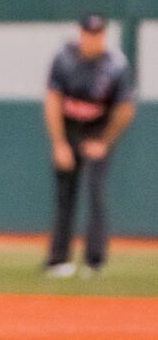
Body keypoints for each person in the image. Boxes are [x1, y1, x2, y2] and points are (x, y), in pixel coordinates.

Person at [44, 14, 136, 277]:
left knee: (95, 192)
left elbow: (124, 109)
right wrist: (59, 143)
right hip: (69, 127)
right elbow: (52, 100)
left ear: (103, 36)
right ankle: (58, 259)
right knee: (65, 194)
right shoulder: (63, 57)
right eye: (87, 32)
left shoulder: (116, 65)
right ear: (80, 33)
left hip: (98, 129)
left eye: (96, 33)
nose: (91, 38)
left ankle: (94, 262)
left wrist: (104, 141)